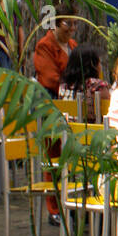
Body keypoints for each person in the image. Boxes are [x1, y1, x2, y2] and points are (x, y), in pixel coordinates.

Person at [34, 11, 76, 222]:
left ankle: (73, 202)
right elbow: (49, 77)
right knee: (53, 155)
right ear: (56, 24)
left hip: (73, 106)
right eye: (68, 24)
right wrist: (73, 79)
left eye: (74, 24)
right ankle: (54, 208)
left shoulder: (73, 45)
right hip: (51, 106)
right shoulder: (45, 45)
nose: (71, 29)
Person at [60, 44, 111, 122]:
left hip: (67, 131)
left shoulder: (63, 86)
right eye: (99, 62)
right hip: (90, 132)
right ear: (93, 65)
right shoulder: (97, 86)